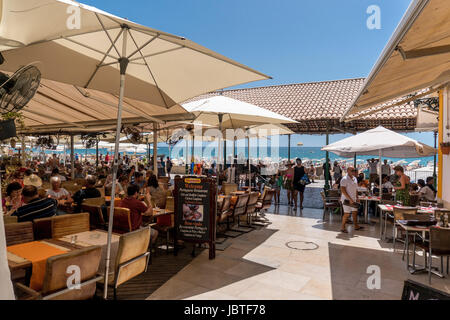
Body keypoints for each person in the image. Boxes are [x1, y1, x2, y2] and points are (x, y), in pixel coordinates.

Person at [340, 167, 363, 233]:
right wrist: (350, 199)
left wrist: (357, 197)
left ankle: (356, 226)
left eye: (354, 170)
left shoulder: (355, 178)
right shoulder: (344, 179)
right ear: (347, 171)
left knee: (355, 212)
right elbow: (343, 190)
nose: (353, 171)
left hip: (353, 199)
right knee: (347, 214)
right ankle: (342, 227)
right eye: (352, 170)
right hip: (346, 199)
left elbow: (355, 189)